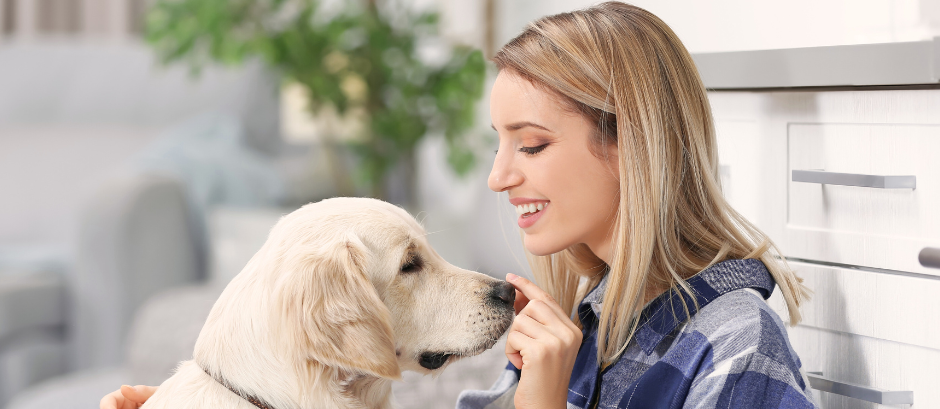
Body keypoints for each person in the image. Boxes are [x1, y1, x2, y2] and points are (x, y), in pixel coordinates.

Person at [102, 2, 817, 408]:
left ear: (631, 146)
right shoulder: (572, 335)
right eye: (497, 145)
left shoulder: (736, 347)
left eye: (530, 145)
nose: (498, 176)